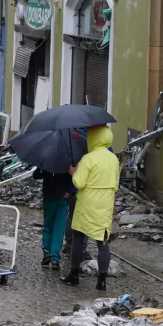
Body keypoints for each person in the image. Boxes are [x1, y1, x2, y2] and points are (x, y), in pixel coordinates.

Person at [61, 125, 119, 291]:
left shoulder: (88, 158)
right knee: (103, 242)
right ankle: (101, 281)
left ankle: (74, 275)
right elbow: (116, 183)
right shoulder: (113, 158)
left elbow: (79, 182)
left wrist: (74, 172)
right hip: (105, 203)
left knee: (78, 238)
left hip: (87, 203)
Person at [33, 169, 72, 271]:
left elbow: (35, 175)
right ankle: (55, 258)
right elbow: (74, 178)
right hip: (62, 198)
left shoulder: (47, 161)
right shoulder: (67, 160)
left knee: (48, 227)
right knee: (58, 229)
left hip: (49, 197)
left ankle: (46, 253)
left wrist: (41, 169)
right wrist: (68, 191)